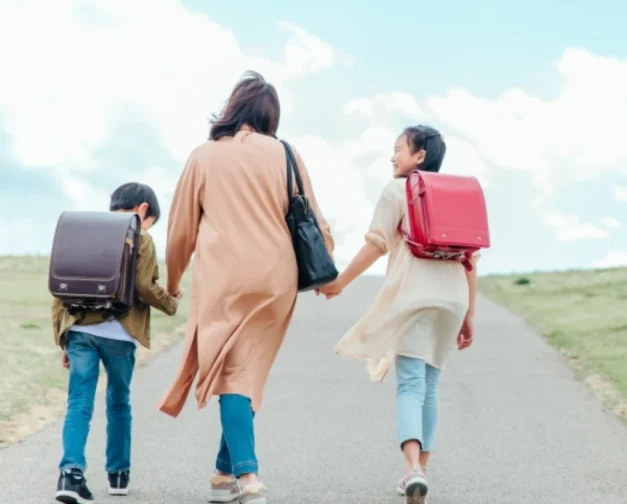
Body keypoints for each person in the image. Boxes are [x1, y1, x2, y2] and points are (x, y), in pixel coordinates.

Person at [157, 70, 334, 504]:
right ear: (270, 115)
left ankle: (248, 478)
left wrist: (175, 279)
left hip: (224, 281)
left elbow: (180, 230)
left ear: (233, 108)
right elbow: (314, 217)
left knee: (233, 373)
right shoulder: (285, 153)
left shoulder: (203, 156)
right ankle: (223, 472)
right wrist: (328, 271)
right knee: (246, 368)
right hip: (277, 279)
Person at [318, 125, 478, 504]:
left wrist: (340, 282)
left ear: (419, 157)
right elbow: (472, 260)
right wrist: (470, 313)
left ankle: (411, 471)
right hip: (453, 298)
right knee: (431, 385)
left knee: (410, 384)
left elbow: (376, 245)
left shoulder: (398, 190)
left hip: (414, 295)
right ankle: (420, 468)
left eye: (398, 149)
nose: (393, 157)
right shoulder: (457, 197)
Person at [53, 183, 179, 504]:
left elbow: (59, 288)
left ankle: (70, 475)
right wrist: (171, 302)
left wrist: (62, 339)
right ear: (143, 210)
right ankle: (119, 475)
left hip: (79, 330)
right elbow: (143, 286)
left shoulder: (80, 232)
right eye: (150, 221)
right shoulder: (141, 237)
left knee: (78, 402)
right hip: (120, 335)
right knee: (119, 402)